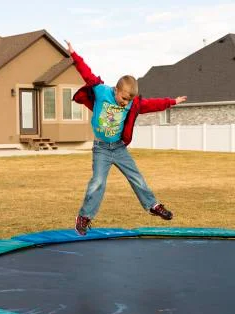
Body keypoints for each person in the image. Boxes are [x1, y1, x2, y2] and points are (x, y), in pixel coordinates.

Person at [65, 41, 187, 235]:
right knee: (97, 182)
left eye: (129, 101)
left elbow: (152, 104)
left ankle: (153, 206)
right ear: (116, 90)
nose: (125, 104)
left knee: (137, 177)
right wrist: (74, 54)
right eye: (123, 99)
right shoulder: (101, 90)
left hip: (119, 148)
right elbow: (85, 72)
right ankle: (84, 217)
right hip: (101, 148)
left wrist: (172, 102)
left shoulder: (132, 104)